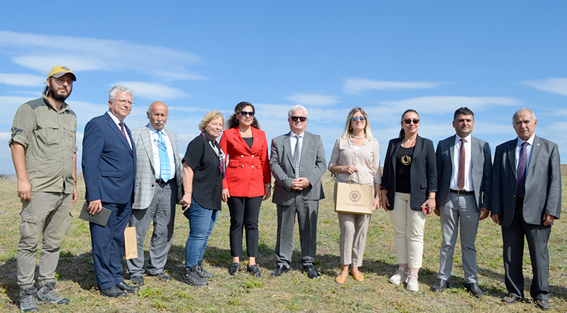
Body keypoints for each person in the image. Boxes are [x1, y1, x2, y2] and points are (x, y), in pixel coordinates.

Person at [9, 66, 77, 312]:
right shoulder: (30, 109)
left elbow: (72, 152)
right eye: (61, 80)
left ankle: (46, 287)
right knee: (29, 241)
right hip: (38, 187)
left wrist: (74, 183)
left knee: (54, 242)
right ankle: (26, 291)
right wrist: (22, 180)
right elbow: (18, 145)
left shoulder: (71, 115)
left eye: (69, 82)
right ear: (49, 82)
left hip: (64, 188)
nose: (65, 85)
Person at [491, 108, 561, 311]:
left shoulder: (549, 148)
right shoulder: (502, 149)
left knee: (539, 255)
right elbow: (496, 181)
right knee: (511, 254)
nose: (523, 126)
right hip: (509, 211)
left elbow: (555, 182)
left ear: (535, 122)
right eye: (518, 123)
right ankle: (514, 292)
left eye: (526, 121)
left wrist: (552, 210)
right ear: (513, 126)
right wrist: (496, 208)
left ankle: (541, 294)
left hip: (539, 212)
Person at [82, 85, 139, 298]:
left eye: (130, 102)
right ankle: (105, 282)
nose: (126, 105)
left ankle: (116, 277)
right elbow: (89, 163)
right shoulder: (97, 125)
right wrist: (93, 196)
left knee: (118, 239)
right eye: (122, 101)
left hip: (124, 197)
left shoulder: (126, 129)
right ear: (110, 103)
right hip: (104, 197)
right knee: (102, 240)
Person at [432, 107, 492, 297]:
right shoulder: (443, 145)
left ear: (473, 123)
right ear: (453, 123)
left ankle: (471, 281)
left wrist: (486, 203)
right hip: (448, 198)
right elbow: (437, 174)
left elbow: (488, 178)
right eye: (460, 120)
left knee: (469, 244)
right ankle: (443, 278)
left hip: (471, 201)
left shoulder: (483, 146)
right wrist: (435, 199)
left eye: (468, 120)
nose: (464, 123)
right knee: (447, 242)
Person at [126, 102, 183, 286]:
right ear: (148, 114)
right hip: (143, 188)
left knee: (164, 230)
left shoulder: (172, 137)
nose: (159, 119)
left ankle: (156, 267)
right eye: (156, 114)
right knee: (134, 231)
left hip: (168, 188)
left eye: (163, 115)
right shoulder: (135, 134)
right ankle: (134, 269)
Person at [381, 109, 437, 292]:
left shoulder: (427, 144)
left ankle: (413, 275)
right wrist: (383, 192)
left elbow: (432, 173)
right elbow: (387, 169)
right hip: (396, 196)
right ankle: (402, 270)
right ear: (402, 123)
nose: (412, 123)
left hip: (418, 197)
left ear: (419, 123)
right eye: (408, 121)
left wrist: (431, 197)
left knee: (415, 234)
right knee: (399, 233)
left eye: (415, 120)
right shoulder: (393, 143)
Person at [270, 104, 326, 279]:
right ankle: (283, 262)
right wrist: (287, 182)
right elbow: (273, 164)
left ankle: (308, 262)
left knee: (308, 228)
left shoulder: (316, 139)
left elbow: (322, 163)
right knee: (284, 229)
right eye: (295, 118)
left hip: (309, 192)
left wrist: (308, 180)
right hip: (285, 191)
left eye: (302, 118)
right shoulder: (278, 141)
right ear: (289, 120)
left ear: (307, 121)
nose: (298, 121)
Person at [328, 107, 381, 284]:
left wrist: (377, 196)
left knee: (362, 230)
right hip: (345, 189)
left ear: (366, 121)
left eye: (361, 118)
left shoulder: (373, 142)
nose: (358, 120)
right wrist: (343, 168)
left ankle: (355, 267)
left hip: (366, 190)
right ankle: (344, 267)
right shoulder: (341, 141)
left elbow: (376, 171)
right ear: (350, 123)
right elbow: (331, 165)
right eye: (354, 118)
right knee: (348, 229)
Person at [219, 102, 271, 277]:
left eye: (251, 113)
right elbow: (221, 162)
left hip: (256, 183)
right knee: (236, 222)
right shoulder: (227, 134)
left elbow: (265, 161)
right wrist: (223, 185)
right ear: (237, 115)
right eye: (244, 113)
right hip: (234, 183)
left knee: (252, 223)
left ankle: (252, 262)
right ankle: (235, 260)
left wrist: (268, 183)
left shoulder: (261, 135)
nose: (248, 116)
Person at [180, 110, 225, 287]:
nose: (218, 127)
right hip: (199, 197)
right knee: (197, 235)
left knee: (205, 234)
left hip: (212, 198)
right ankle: (188, 271)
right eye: (214, 123)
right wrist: (188, 194)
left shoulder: (215, 145)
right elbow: (188, 167)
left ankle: (198, 265)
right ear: (205, 124)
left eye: (220, 125)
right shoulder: (199, 142)